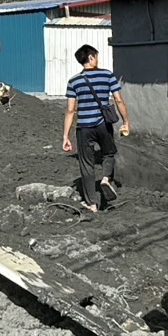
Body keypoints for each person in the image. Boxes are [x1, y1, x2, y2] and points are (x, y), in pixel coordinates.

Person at [62, 44, 130, 213]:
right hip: (103, 124)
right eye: (96, 57)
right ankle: (106, 179)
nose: (97, 60)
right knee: (109, 153)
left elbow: (70, 110)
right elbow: (118, 100)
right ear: (91, 58)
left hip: (83, 127)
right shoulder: (107, 75)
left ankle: (92, 204)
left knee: (86, 164)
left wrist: (65, 136)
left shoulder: (74, 81)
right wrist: (126, 121)